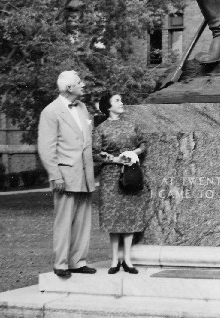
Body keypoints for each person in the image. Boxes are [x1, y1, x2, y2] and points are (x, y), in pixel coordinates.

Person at [38, 70, 96, 278]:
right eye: (80, 82)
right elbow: (46, 147)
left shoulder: (82, 108)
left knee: (82, 220)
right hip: (65, 175)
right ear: (69, 87)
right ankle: (61, 263)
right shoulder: (50, 111)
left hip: (84, 174)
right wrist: (55, 175)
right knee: (64, 221)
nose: (84, 84)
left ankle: (78, 262)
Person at [92, 92, 147, 275]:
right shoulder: (101, 129)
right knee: (113, 218)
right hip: (111, 178)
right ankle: (115, 259)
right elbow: (95, 152)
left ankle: (128, 260)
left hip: (130, 174)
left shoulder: (131, 125)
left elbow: (143, 143)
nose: (121, 102)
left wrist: (135, 153)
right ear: (108, 107)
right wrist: (115, 159)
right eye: (117, 101)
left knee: (129, 216)